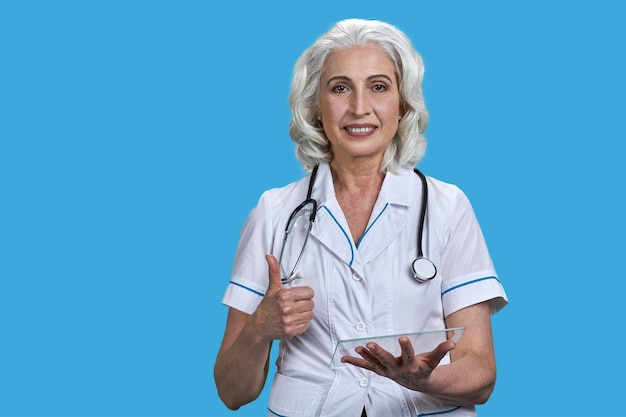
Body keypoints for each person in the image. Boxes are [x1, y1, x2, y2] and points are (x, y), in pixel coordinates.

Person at [214, 18, 508, 417]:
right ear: (316, 106)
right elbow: (232, 392)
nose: (359, 107)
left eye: (379, 86)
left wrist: (425, 380)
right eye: (339, 88)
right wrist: (259, 328)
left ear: (402, 105)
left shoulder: (447, 207)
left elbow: (482, 374)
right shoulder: (274, 212)